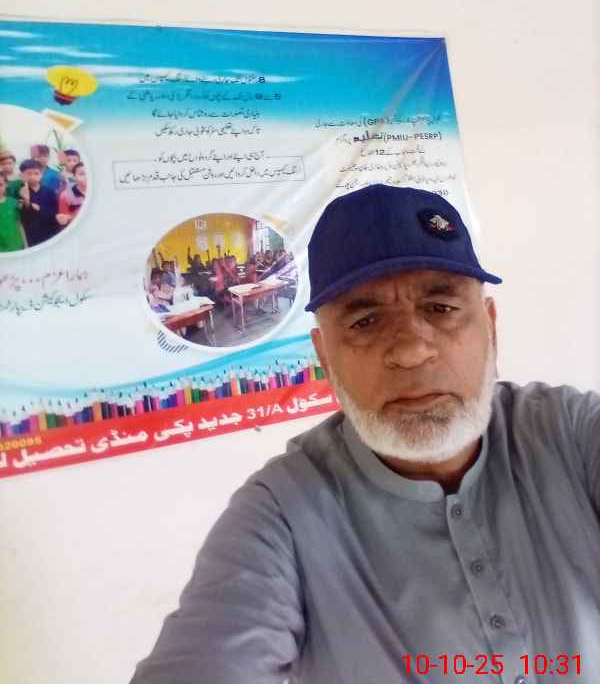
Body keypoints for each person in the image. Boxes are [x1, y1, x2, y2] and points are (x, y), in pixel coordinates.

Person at [131, 185, 600, 684]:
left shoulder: (570, 432)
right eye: (366, 320)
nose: (412, 351)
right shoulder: (283, 515)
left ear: (490, 327)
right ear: (324, 356)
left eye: (441, 308)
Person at [18, 159, 59, 246]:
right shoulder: (19, 192)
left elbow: (54, 212)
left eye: (36, 173)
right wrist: (26, 200)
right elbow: (21, 217)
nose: (33, 177)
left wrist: (39, 208)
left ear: (41, 174)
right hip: (31, 234)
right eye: (29, 174)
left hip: (50, 231)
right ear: (22, 175)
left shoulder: (49, 191)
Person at [0, 172, 25, 252]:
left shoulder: (14, 202)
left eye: (0, 185)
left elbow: (20, 224)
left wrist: (25, 244)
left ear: (6, 185)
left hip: (16, 246)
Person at [56, 162, 87, 226]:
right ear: (74, 177)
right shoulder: (65, 196)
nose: (86, 176)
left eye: (88, 173)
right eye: (82, 174)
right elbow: (64, 220)